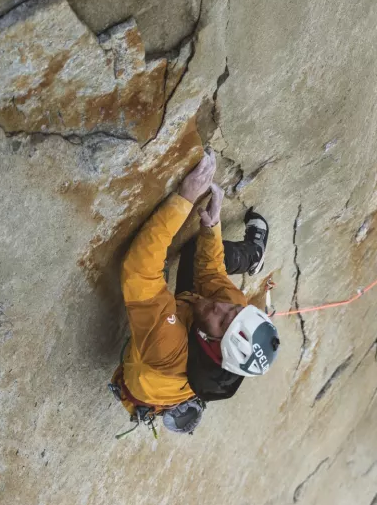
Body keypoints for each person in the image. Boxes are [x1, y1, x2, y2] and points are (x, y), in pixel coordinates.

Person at [109, 148, 279, 435]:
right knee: (198, 250)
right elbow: (212, 273)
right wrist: (212, 228)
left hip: (154, 369)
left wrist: (183, 200)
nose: (222, 308)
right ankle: (253, 256)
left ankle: (248, 259)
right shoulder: (232, 311)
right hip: (187, 332)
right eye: (235, 311)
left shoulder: (168, 350)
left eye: (224, 321)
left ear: (211, 346)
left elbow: (140, 271)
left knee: (169, 280)